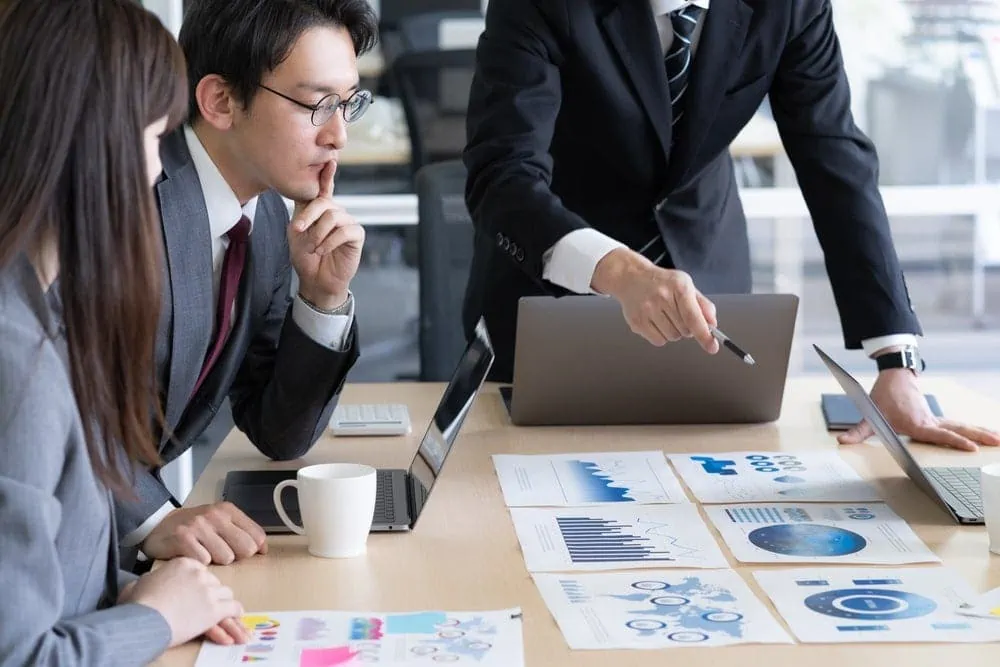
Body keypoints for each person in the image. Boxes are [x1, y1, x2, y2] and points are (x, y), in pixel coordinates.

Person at [462, 0, 1000, 451]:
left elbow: (834, 160)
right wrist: (620, 271)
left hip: (708, 294)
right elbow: (502, 175)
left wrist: (895, 360)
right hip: (551, 297)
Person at [0, 0, 248, 663]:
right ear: (97, 144)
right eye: (151, 138)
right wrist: (154, 619)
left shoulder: (43, 313)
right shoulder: (15, 357)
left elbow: (51, 582)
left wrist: (147, 596)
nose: (159, 170)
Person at [116, 0, 380, 567]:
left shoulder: (261, 222)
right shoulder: (126, 201)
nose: (339, 136)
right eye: (318, 105)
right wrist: (153, 518)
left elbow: (278, 433)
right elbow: (50, 402)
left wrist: (322, 296)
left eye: (348, 104)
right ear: (220, 101)